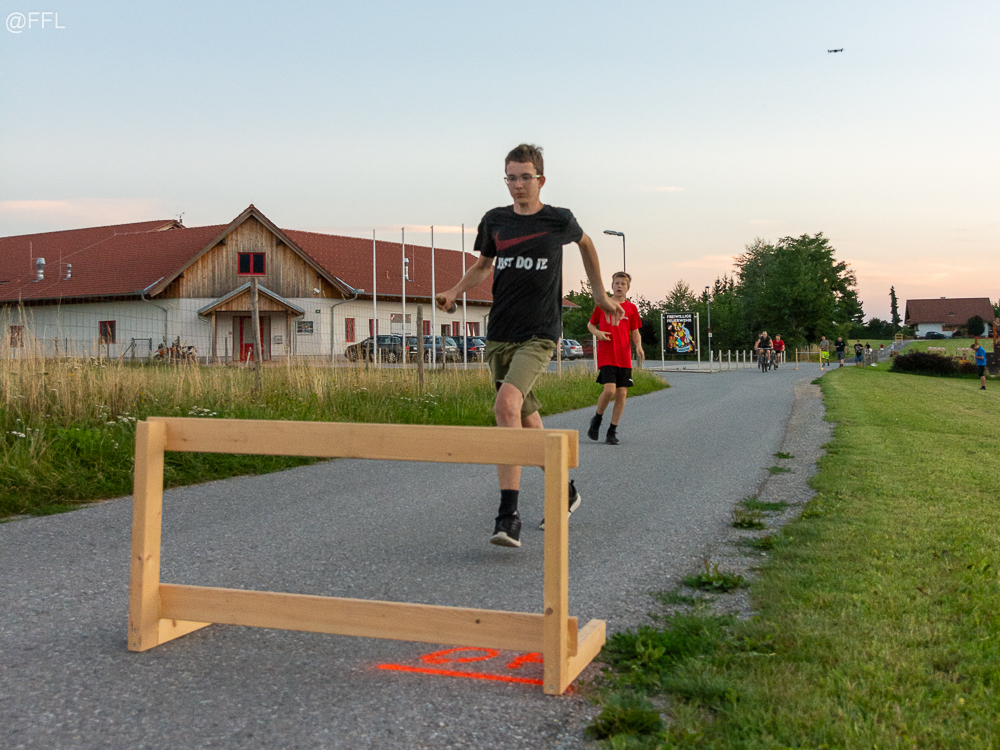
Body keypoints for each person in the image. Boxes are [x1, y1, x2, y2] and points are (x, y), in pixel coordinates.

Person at [436, 143, 623, 548]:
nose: (518, 185)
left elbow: (587, 245)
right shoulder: (495, 221)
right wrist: (454, 291)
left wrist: (599, 295)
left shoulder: (558, 219)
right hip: (500, 332)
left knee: (505, 405)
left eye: (525, 177)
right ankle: (566, 490)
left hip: (540, 332)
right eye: (511, 178)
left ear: (541, 179)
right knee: (525, 419)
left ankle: (508, 515)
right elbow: (483, 266)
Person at [587, 271, 643, 446]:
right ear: (612, 286)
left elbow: (635, 331)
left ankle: (612, 431)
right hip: (607, 354)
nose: (619, 286)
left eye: (623, 284)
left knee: (622, 393)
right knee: (610, 390)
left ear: (628, 288)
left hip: (624, 356)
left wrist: (639, 346)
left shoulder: (631, 308)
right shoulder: (603, 305)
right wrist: (597, 333)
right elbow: (591, 324)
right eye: (617, 283)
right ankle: (597, 419)